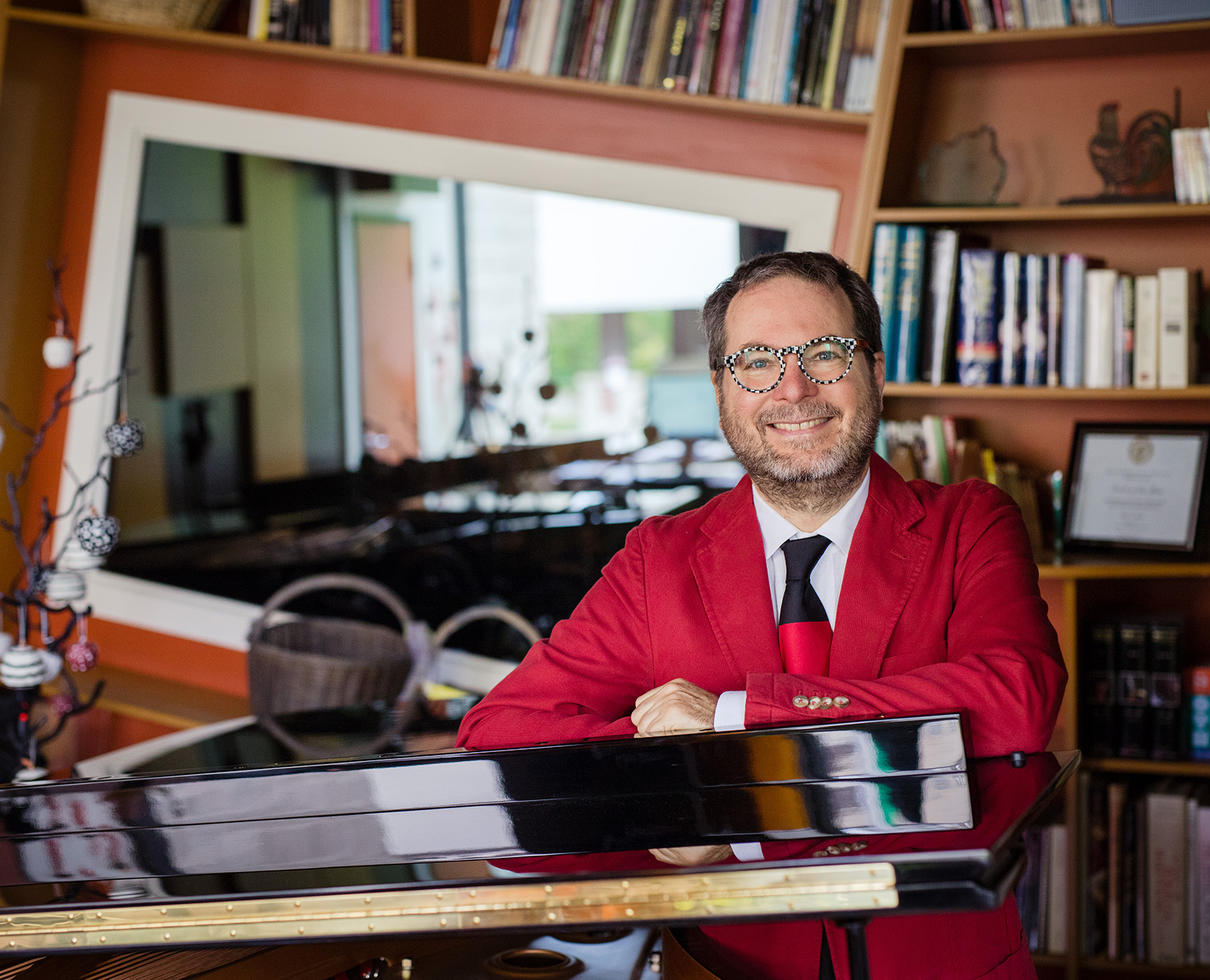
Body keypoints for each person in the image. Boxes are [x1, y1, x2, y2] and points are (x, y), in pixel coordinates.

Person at [456, 250, 1067, 979]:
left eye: (825, 354)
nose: (794, 387)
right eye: (756, 361)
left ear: (873, 371)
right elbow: (496, 747)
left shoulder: (970, 522)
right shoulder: (660, 557)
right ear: (721, 391)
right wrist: (684, 797)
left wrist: (734, 723)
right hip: (724, 968)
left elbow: (1017, 702)